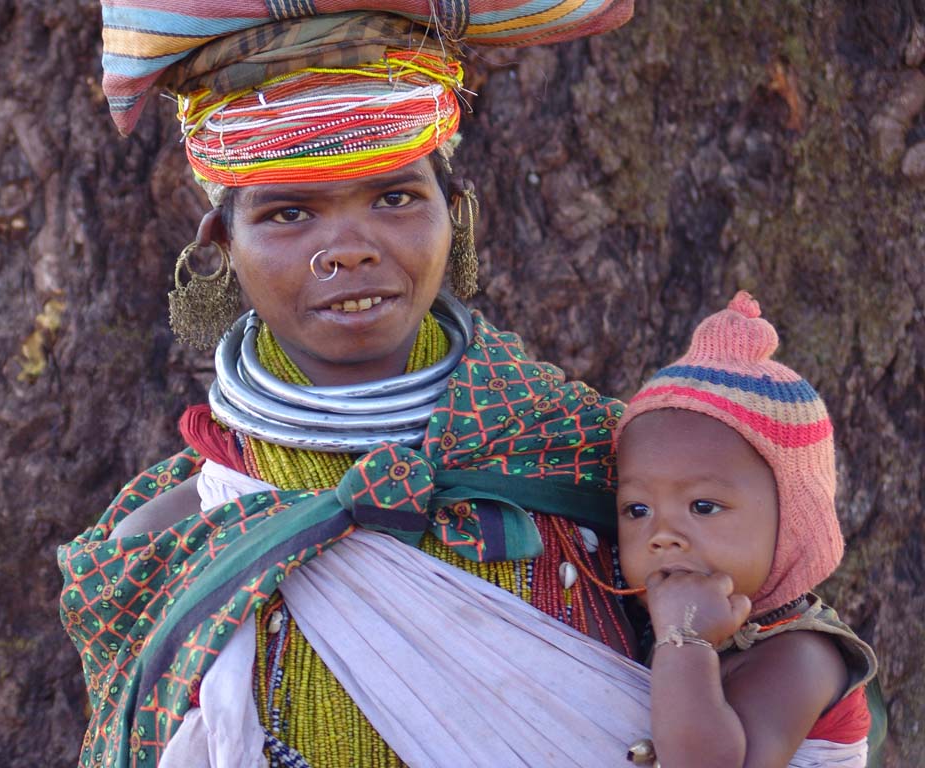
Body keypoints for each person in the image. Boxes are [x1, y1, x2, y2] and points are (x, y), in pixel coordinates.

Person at [57, 3, 656, 768]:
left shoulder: (599, 466)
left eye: (395, 197)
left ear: (457, 213)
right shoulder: (164, 548)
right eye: (289, 212)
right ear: (220, 246)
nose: (347, 249)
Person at [613, 291, 878, 768]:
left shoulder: (802, 655)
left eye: (703, 505)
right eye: (636, 510)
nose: (662, 535)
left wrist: (685, 639)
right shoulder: (642, 623)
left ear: (795, 521)